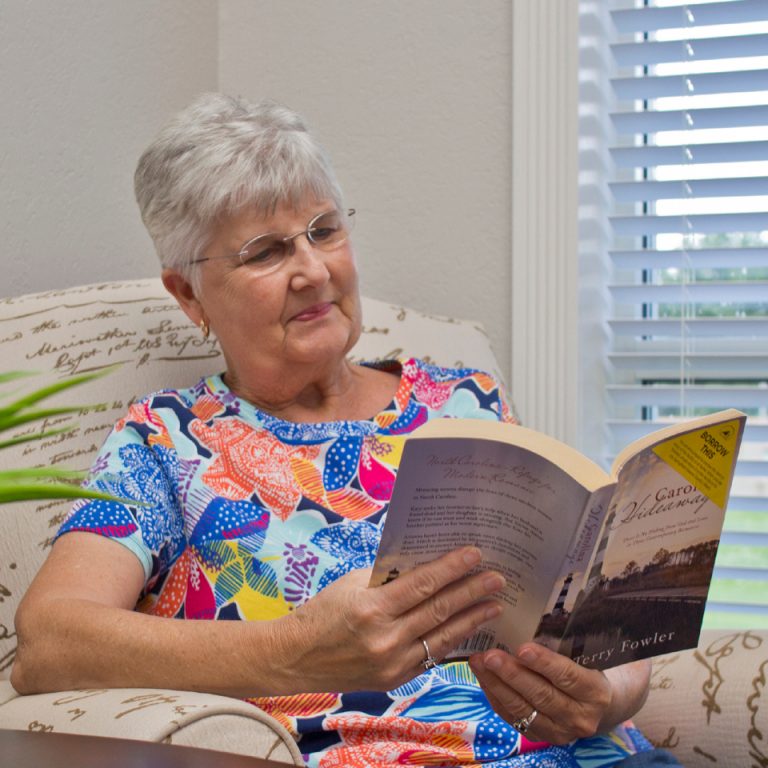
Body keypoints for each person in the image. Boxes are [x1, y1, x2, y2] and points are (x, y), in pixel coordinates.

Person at [12, 93, 668, 768]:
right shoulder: (167, 438)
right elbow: (47, 644)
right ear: (188, 294)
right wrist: (293, 649)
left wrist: (607, 694)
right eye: (265, 252)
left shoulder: (466, 401)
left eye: (324, 231)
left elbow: (596, 623)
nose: (314, 271)